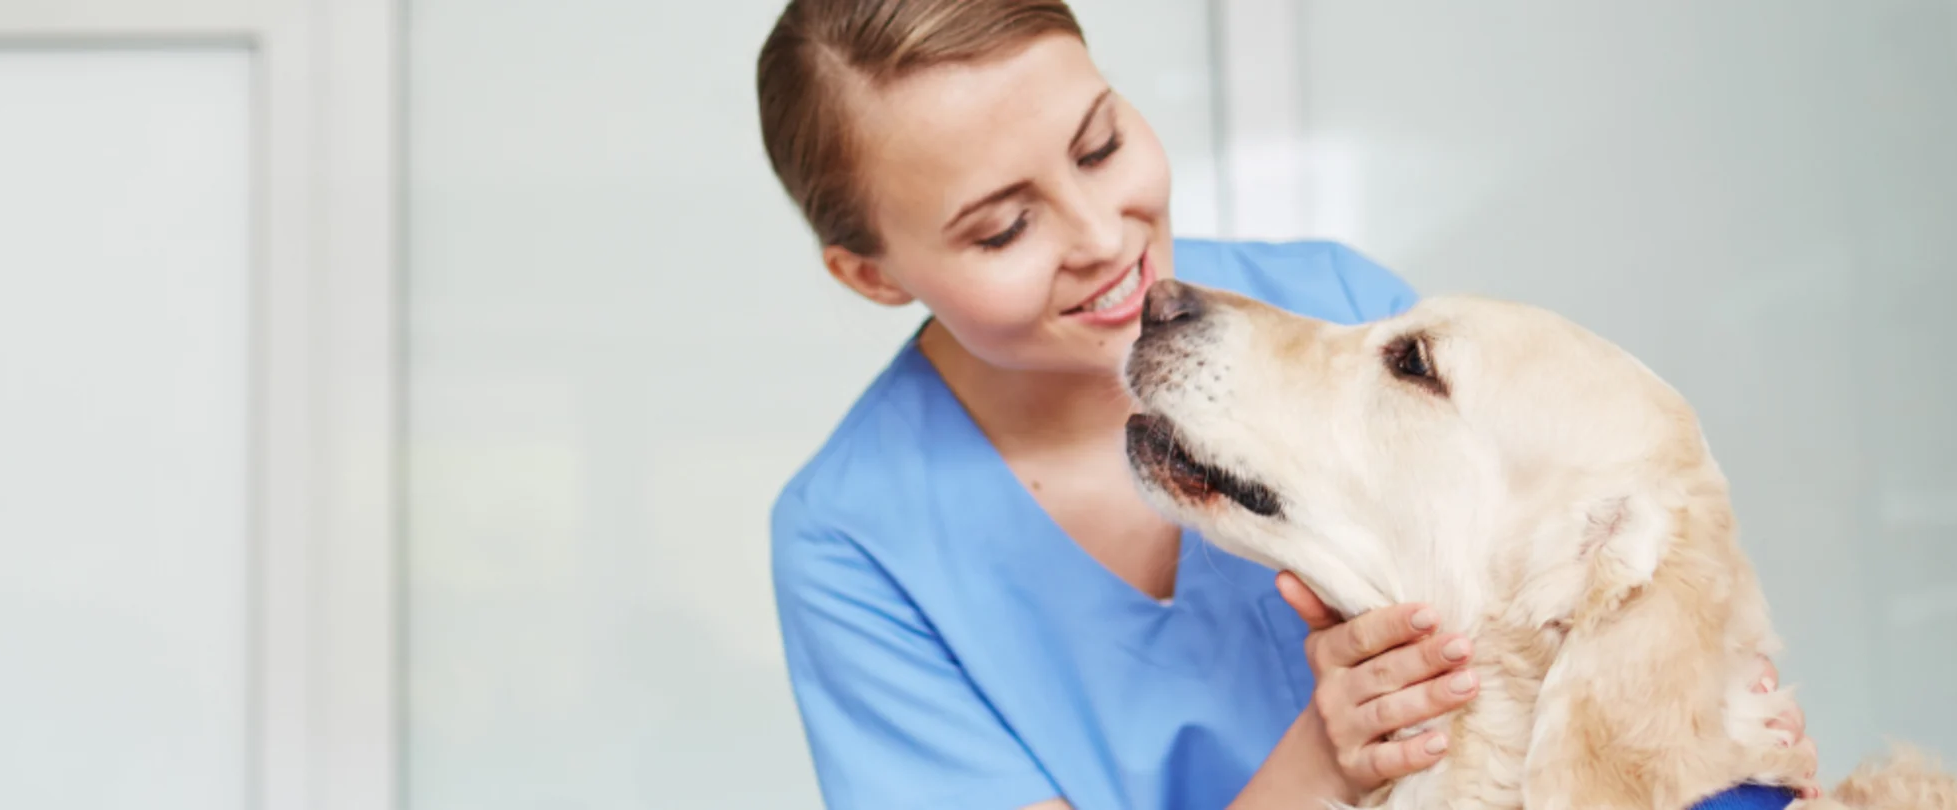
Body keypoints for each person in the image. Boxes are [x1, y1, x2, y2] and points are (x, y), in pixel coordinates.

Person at [753, 2, 1816, 808]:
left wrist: (1712, 726)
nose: (1104, 236)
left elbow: (1578, 656)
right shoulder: (853, 541)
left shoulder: (1342, 313)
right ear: (872, 274)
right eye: (1000, 230)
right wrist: (1321, 766)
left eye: (1099, 145)